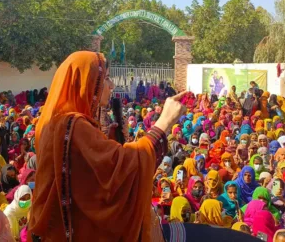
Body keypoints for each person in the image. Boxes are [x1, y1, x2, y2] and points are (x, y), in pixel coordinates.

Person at [28, 51, 186, 241]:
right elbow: (123, 170)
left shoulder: (55, 122)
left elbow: (87, 181)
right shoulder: (73, 125)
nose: (112, 86)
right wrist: (164, 123)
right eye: (106, 79)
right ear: (87, 84)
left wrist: (108, 142)